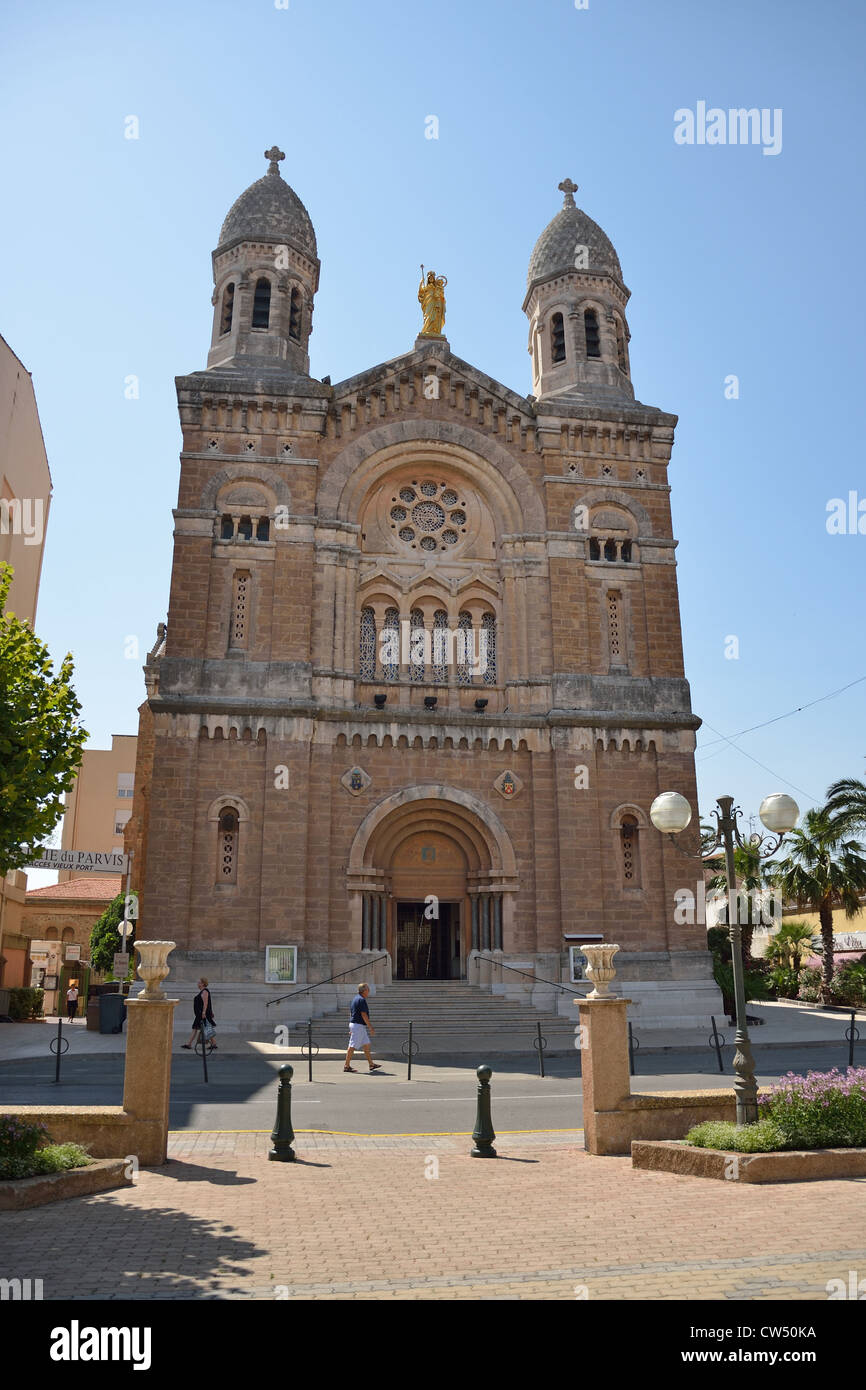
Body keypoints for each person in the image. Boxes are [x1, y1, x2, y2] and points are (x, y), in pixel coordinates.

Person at [344, 982, 381, 1073]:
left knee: (366, 1044)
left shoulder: (355, 999)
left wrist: (351, 1026)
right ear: (364, 991)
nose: (369, 991)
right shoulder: (361, 1000)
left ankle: (371, 1064)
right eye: (368, 989)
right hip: (358, 1026)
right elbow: (363, 1014)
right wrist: (370, 1027)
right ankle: (346, 1065)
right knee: (352, 1046)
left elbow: (351, 1013)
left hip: (357, 1025)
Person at [182, 977, 217, 1051]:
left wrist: (204, 1013)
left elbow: (206, 1003)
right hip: (200, 1014)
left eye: (199, 982)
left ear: (203, 983)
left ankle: (189, 1044)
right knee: (201, 1028)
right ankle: (213, 1043)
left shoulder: (205, 992)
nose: (197, 984)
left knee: (202, 1028)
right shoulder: (202, 991)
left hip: (202, 1014)